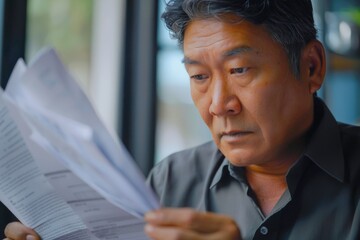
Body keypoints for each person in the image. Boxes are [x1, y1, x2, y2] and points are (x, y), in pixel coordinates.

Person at [3, 0, 360, 239]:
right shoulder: (170, 182)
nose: (219, 105)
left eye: (239, 69)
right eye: (200, 77)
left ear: (311, 67)